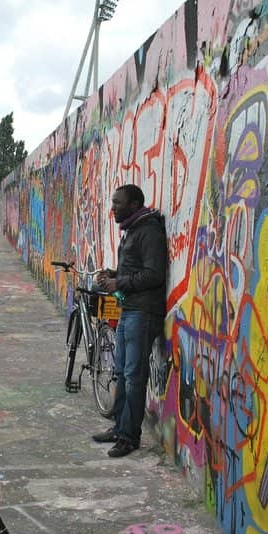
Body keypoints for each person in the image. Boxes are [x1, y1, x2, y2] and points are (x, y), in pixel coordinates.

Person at [93, 184, 168, 457]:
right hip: (130, 310)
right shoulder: (133, 229)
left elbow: (153, 274)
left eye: (118, 203)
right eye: (113, 202)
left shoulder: (148, 232)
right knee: (122, 372)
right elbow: (136, 269)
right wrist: (113, 274)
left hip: (143, 313)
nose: (113, 207)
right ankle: (119, 427)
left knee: (135, 377)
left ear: (135, 205)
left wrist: (119, 282)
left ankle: (129, 437)